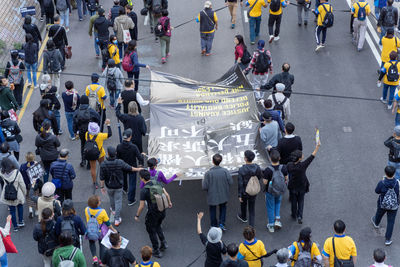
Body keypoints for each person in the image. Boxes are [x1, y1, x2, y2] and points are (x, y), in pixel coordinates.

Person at [100, 146, 142, 226]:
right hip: (118, 185)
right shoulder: (119, 162)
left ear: (108, 154)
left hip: (109, 185)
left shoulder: (103, 164)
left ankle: (113, 209)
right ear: (115, 153)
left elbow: (102, 178)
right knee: (118, 201)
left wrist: (102, 187)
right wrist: (138, 169)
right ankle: (117, 219)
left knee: (111, 198)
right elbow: (130, 168)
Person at [135, 170, 172, 258]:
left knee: (151, 231)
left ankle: (156, 250)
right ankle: (163, 243)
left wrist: (137, 215)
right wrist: (169, 202)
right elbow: (166, 194)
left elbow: (141, 206)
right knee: (158, 226)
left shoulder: (144, 190)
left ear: (142, 178)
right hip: (162, 210)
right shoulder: (158, 183)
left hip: (152, 213)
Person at [287, 141, 320, 224]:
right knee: (301, 201)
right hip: (302, 186)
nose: (303, 156)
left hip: (293, 186)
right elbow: (312, 156)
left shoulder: (289, 165)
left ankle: (294, 214)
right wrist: (317, 147)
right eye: (301, 155)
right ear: (299, 158)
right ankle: (300, 216)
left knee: (294, 201)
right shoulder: (303, 165)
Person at [202, 154, 233, 230]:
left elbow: (204, 187)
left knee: (212, 210)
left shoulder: (208, 173)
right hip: (223, 194)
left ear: (212, 161)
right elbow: (231, 182)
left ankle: (213, 225)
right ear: (221, 161)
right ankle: (222, 223)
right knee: (223, 208)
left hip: (212, 196)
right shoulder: (225, 171)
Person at [85, 195, 117, 265]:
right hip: (100, 231)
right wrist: (114, 230)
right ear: (97, 204)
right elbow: (108, 223)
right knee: (101, 245)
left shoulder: (87, 209)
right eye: (99, 200)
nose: (100, 201)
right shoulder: (102, 212)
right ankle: (101, 260)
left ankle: (94, 257)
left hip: (90, 229)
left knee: (92, 242)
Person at [371, 166, 399, 246]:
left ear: (385, 173)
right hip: (394, 206)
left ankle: (376, 223)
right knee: (391, 221)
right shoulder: (397, 183)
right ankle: (387, 239)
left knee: (379, 213)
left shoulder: (382, 183)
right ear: (394, 174)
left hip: (382, 204)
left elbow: (377, 191)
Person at [116, 129, 145, 205]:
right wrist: (141, 163)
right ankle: (130, 200)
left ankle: (125, 189)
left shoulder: (119, 146)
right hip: (132, 167)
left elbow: (117, 158)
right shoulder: (134, 147)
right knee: (132, 183)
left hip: (123, 166)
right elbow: (139, 157)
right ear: (130, 136)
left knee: (124, 179)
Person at [263, 150, 287, 232]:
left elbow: (265, 182)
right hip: (280, 190)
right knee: (278, 203)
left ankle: (271, 226)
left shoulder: (267, 170)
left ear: (270, 159)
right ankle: (277, 221)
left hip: (270, 191)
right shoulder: (283, 168)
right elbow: (286, 178)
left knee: (270, 207)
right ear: (279, 158)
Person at [72, 95, 100, 167]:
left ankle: (83, 160)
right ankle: (89, 163)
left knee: (83, 145)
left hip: (81, 131)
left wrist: (75, 131)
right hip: (90, 131)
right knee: (90, 144)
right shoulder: (91, 111)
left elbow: (74, 122)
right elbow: (98, 118)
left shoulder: (77, 111)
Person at [237, 150, 263, 227]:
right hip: (253, 191)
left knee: (243, 204)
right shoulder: (257, 167)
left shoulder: (242, 169)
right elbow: (259, 177)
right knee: (252, 208)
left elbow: (240, 183)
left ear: (245, 158)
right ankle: (251, 226)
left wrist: (239, 195)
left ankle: (243, 217)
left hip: (245, 192)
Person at [0, 158, 26, 232]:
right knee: (20, 206)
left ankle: (15, 226)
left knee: (12, 211)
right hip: (17, 194)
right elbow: (22, 184)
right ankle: (20, 221)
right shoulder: (17, 173)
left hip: (8, 194)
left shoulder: (1, 173)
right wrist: (24, 193)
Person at [86, 120, 112, 188]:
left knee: (93, 169)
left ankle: (95, 182)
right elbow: (109, 134)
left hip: (91, 153)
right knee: (102, 165)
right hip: (100, 153)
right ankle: (105, 177)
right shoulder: (100, 135)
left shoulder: (87, 134)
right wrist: (108, 125)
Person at [20, 152, 38, 218]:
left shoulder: (22, 166)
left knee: (28, 197)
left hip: (26, 185)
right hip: (35, 184)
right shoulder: (36, 165)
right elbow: (40, 174)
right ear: (33, 158)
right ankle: (36, 210)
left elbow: (21, 175)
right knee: (36, 196)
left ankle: (30, 209)